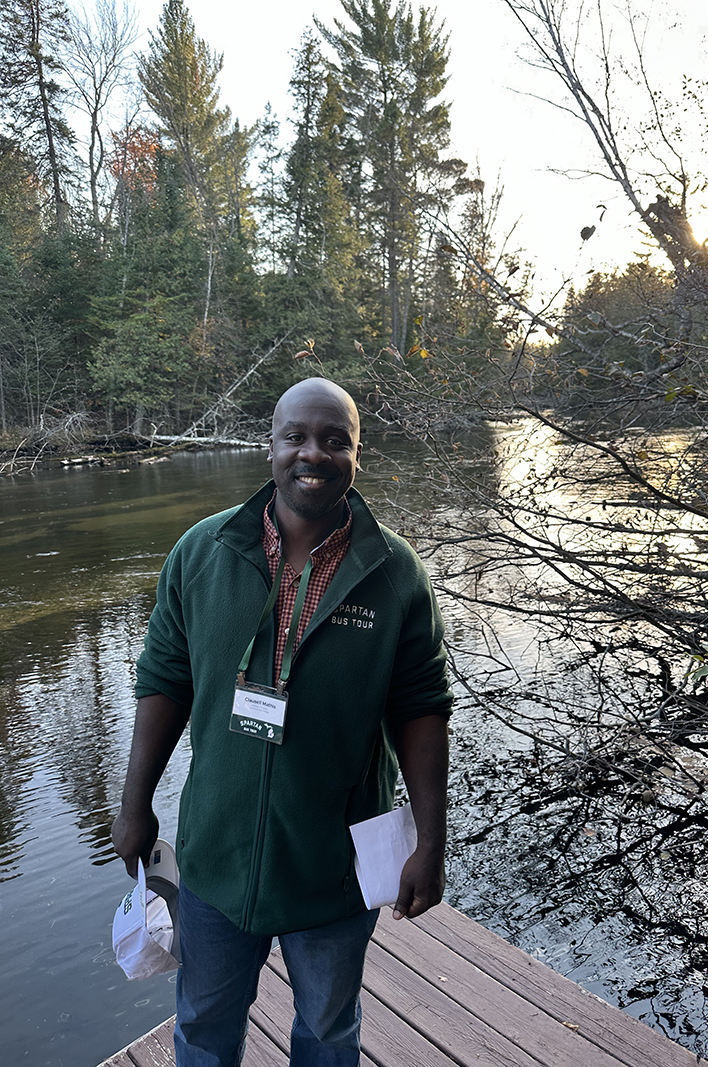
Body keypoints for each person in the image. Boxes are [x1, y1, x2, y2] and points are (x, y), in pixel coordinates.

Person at [111, 377, 452, 1067]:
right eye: (295, 435)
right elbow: (163, 681)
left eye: (335, 440)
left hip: (333, 869)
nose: (313, 454)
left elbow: (422, 708)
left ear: (359, 453)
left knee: (327, 1031)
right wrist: (134, 804)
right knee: (203, 1026)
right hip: (214, 861)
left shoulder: (395, 575)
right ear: (269, 445)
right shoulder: (202, 554)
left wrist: (432, 841)